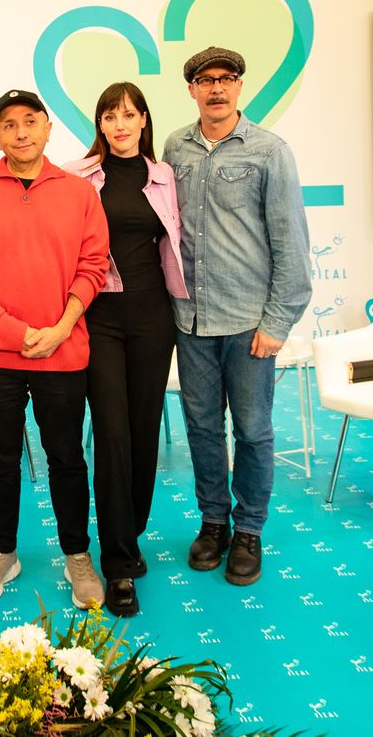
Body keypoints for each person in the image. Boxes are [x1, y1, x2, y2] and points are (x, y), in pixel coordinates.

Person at [0, 88, 109, 610]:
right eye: (9, 124)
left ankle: (77, 554)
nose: (21, 132)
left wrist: (62, 326)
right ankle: (1, 552)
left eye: (30, 121)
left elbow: (94, 264)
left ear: (47, 128)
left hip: (63, 350)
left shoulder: (79, 193)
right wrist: (15, 333)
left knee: (66, 457)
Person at [165, 46, 311, 589]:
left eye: (227, 79)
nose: (217, 88)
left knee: (252, 431)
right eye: (206, 80)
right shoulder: (175, 147)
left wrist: (278, 322)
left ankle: (249, 531)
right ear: (192, 90)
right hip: (190, 320)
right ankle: (214, 523)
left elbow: (291, 244)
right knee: (202, 429)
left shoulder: (270, 150)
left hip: (249, 321)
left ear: (240, 87)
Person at [63, 82, 186, 617]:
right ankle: (117, 564)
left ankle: (128, 534)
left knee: (142, 429)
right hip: (99, 318)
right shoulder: (76, 176)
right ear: (99, 123)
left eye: (129, 114)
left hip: (153, 316)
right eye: (109, 115)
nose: (119, 124)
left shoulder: (165, 178)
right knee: (111, 434)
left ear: (143, 121)